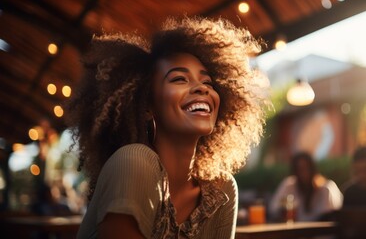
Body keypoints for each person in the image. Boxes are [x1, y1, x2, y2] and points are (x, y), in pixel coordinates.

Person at [66, 17, 269, 239]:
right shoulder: (134, 162)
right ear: (147, 106)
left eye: (207, 83)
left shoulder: (221, 190)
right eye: (180, 79)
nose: (201, 88)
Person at [269, 152, 342, 222]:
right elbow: (273, 208)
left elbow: (330, 215)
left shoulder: (326, 188)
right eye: (299, 169)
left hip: (320, 233)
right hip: (295, 232)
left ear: (312, 169)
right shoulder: (289, 185)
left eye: (306, 168)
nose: (303, 173)